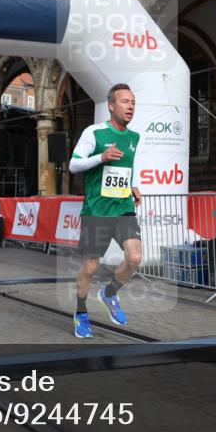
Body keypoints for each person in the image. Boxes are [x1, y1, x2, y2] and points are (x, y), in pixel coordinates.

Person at [68, 83, 142, 339]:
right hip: (97, 211)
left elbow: (126, 167)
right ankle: (80, 313)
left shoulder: (134, 137)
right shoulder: (95, 132)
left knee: (134, 258)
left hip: (122, 207)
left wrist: (132, 186)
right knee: (90, 267)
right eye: (125, 101)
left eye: (133, 102)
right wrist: (101, 157)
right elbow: (73, 165)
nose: (130, 106)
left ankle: (109, 293)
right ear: (111, 106)